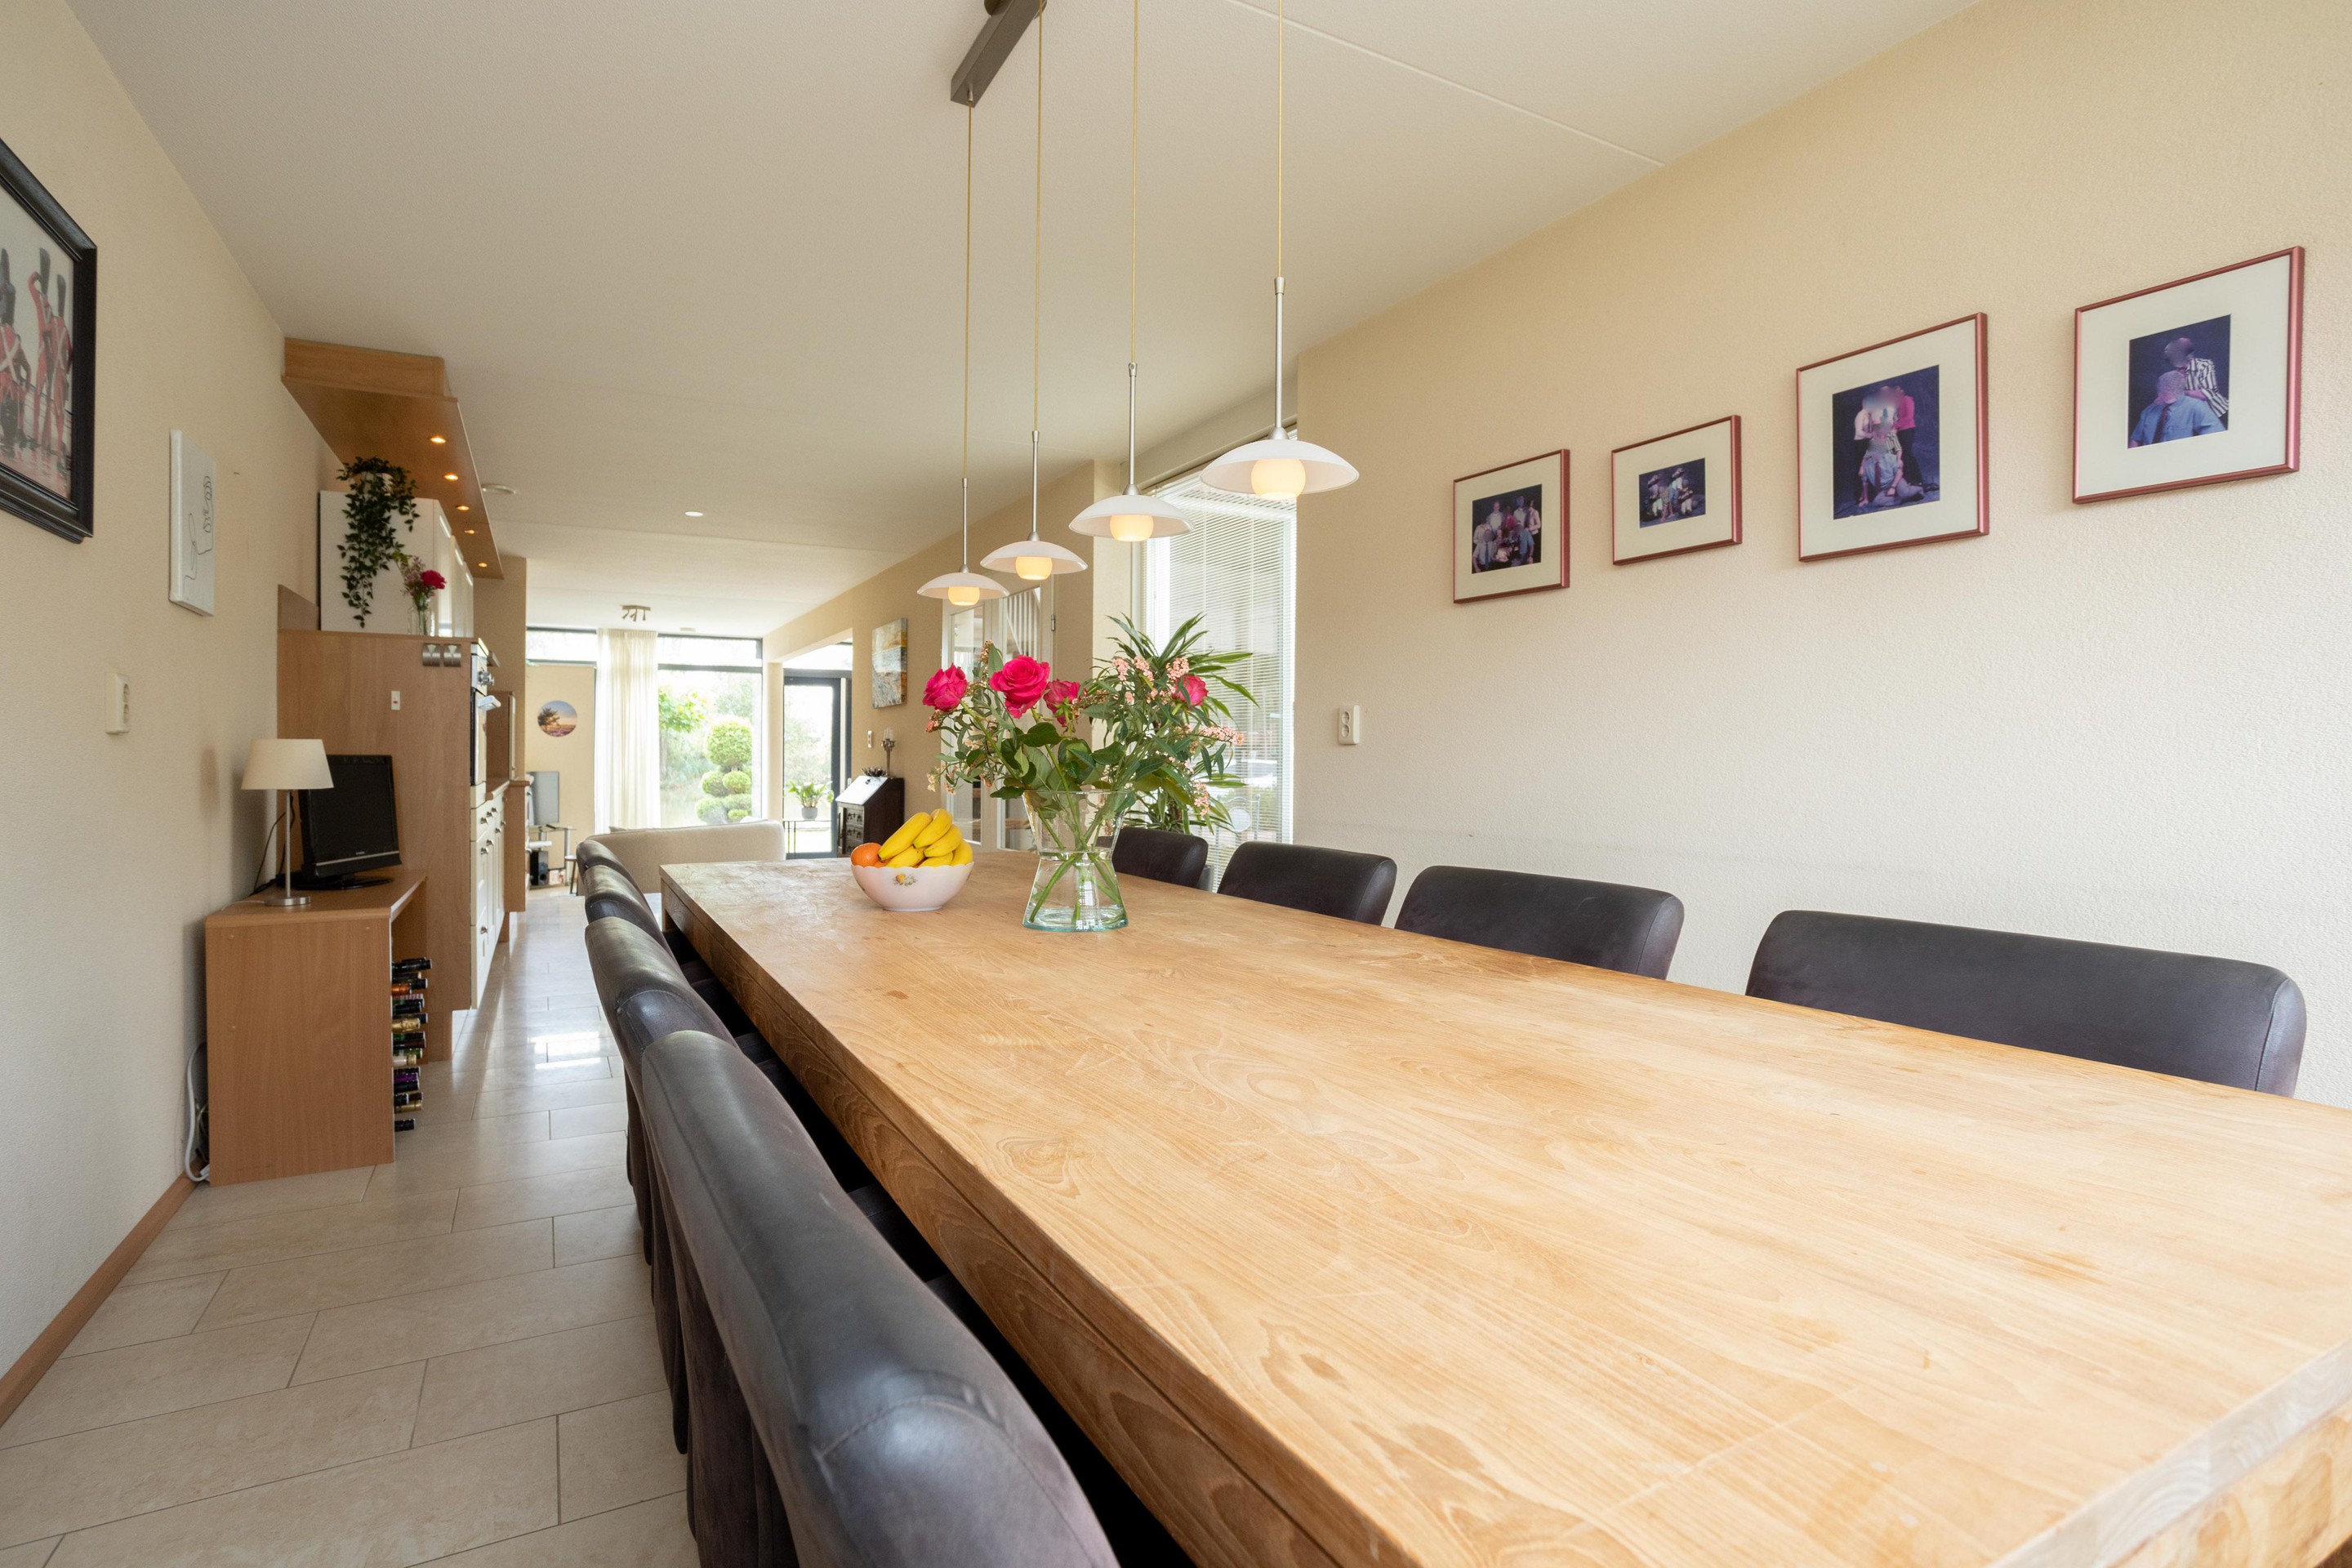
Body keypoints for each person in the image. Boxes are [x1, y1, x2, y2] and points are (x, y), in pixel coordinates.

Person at [2131, 368, 2225, 445]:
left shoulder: (2196, 406)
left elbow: (2216, 437)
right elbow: (2135, 439)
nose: (2167, 390)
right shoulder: (2149, 410)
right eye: (2164, 387)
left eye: (2171, 387)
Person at [2164, 335, 2228, 422]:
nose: (2171, 361)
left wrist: (2182, 393)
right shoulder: (2175, 373)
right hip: (2198, 418)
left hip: (2218, 413)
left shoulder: (2204, 365)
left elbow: (2207, 393)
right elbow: (2173, 398)